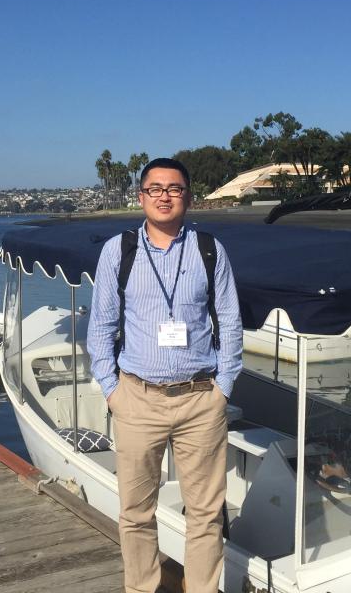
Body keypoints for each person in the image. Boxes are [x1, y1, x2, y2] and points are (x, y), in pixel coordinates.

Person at [87, 157, 243, 593]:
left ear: (188, 197)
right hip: (137, 398)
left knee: (206, 515)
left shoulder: (209, 250)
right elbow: (101, 326)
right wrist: (112, 390)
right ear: (141, 197)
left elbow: (230, 321)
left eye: (174, 189)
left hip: (200, 399)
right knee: (136, 513)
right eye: (155, 189)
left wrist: (223, 387)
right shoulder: (118, 251)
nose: (164, 196)